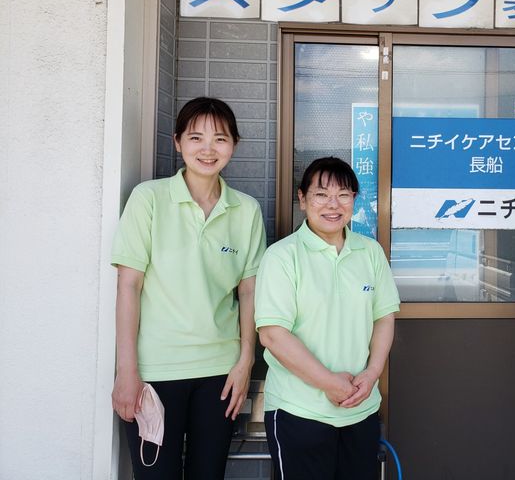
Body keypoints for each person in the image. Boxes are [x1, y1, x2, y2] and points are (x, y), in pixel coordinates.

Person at [111, 97, 267, 479]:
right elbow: (128, 286)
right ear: (177, 142)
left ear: (234, 145)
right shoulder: (148, 199)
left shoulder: (246, 210)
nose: (208, 149)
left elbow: (249, 292)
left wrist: (245, 362)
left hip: (221, 373)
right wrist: (126, 370)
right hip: (155, 370)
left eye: (220, 139)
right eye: (196, 137)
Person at [255, 157, 400, 480]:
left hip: (360, 409)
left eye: (343, 195)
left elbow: (384, 317)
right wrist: (328, 382)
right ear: (302, 198)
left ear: (354, 200)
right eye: (321, 195)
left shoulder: (370, 252)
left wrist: (373, 373)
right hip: (298, 410)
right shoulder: (282, 256)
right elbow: (273, 334)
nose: (333, 205)